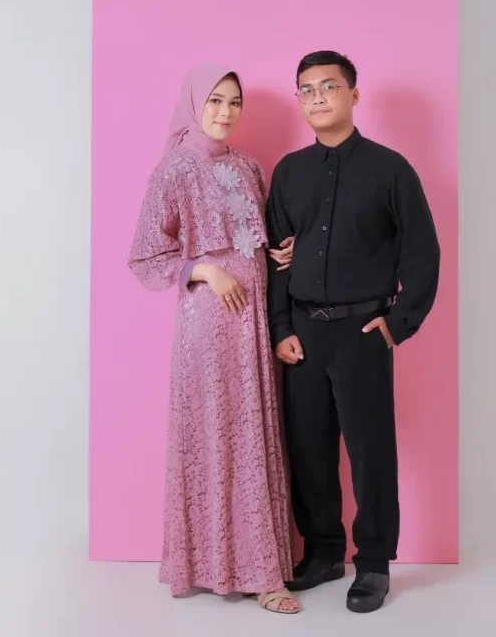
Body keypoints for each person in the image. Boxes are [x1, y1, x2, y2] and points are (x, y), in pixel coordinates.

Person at [266, 51, 440, 614]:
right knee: (308, 447)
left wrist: (397, 324)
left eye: (329, 87)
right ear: (300, 99)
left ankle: (373, 564)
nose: (317, 97)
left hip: (363, 332)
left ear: (353, 94)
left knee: (370, 451)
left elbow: (423, 253)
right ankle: (322, 553)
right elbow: (276, 258)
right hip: (303, 334)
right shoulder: (289, 172)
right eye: (307, 89)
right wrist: (281, 327)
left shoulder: (391, 170)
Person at [129, 65, 299, 614]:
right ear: (195, 104)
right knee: (216, 432)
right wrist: (204, 270)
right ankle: (221, 566)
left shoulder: (249, 166)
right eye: (215, 101)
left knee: (253, 432)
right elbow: (146, 255)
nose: (225, 112)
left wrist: (279, 253)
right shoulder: (174, 169)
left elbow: (257, 238)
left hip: (254, 319)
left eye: (234, 102)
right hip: (209, 320)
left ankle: (260, 568)